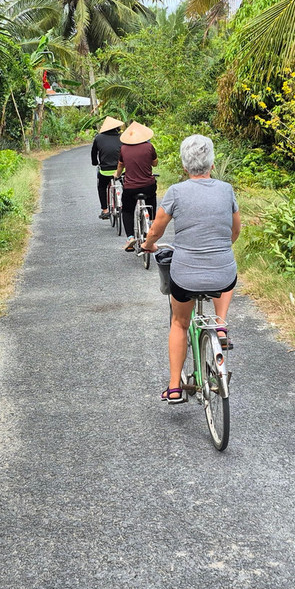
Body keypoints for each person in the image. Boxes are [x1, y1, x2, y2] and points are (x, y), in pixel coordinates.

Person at [142, 134, 240, 403]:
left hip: (185, 277)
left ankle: (174, 387)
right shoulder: (226, 190)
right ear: (212, 163)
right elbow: (235, 231)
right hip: (222, 273)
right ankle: (220, 325)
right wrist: (221, 245)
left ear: (185, 166)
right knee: (226, 276)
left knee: (179, 322)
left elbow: (156, 229)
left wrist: (149, 245)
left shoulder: (175, 192)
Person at [115, 121, 158, 250]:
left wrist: (116, 175)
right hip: (148, 186)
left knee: (127, 210)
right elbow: (155, 164)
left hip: (130, 188)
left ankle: (130, 238)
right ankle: (151, 222)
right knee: (152, 196)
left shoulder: (123, 148)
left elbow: (120, 166)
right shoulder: (149, 147)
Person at [90, 116, 124, 219]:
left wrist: (95, 162)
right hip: (120, 169)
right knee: (126, 185)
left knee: (101, 187)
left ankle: (105, 210)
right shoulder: (122, 137)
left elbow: (94, 153)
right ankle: (125, 204)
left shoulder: (98, 138)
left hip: (105, 170)